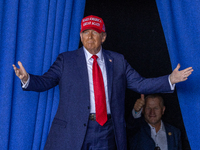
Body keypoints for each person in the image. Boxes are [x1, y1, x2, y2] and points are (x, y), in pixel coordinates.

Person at [12, 15, 193, 150]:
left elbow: (140, 84)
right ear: (81, 36)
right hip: (73, 130)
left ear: (103, 37)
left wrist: (170, 79)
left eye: (94, 32)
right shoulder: (66, 60)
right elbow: (46, 81)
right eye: (85, 32)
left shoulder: (118, 61)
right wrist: (27, 79)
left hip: (107, 131)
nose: (89, 36)